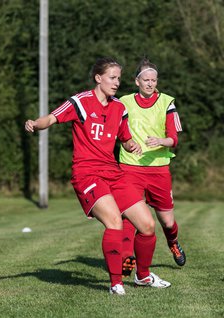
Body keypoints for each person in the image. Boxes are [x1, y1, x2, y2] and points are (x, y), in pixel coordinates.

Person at [25, 57, 171, 295]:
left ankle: (143, 277)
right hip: (87, 174)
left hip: (114, 172)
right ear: (98, 78)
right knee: (114, 222)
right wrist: (35, 123)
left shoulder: (119, 108)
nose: (116, 83)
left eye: (119, 79)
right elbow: (52, 118)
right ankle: (116, 284)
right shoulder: (80, 102)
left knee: (147, 225)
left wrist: (131, 145)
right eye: (112, 78)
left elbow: (125, 139)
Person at [119, 57, 186, 274]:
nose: (150, 83)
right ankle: (128, 257)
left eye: (153, 80)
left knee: (167, 222)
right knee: (130, 215)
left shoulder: (167, 102)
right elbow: (116, 129)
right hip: (130, 167)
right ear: (136, 81)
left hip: (158, 169)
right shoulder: (124, 102)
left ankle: (173, 243)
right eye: (146, 80)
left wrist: (160, 141)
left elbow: (174, 138)